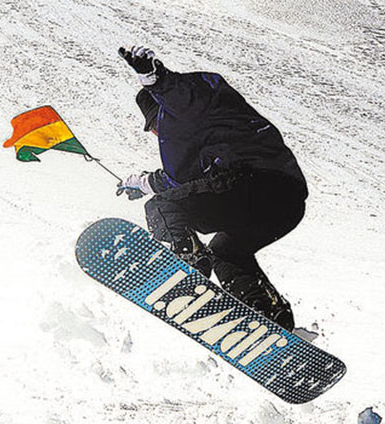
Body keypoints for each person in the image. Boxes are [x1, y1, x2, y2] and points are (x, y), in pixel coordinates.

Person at [116, 46, 306, 331]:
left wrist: (156, 79)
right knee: (226, 250)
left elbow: (182, 98)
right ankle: (272, 318)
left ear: (160, 113)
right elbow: (184, 179)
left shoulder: (183, 105)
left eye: (154, 127)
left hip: (254, 182)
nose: (157, 134)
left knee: (162, 207)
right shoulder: (206, 125)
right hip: (286, 202)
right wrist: (142, 183)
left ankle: (188, 264)